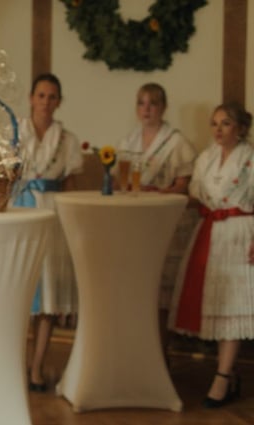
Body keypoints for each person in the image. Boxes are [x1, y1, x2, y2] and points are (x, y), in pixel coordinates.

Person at [169, 102, 254, 408]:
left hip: (240, 234)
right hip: (210, 232)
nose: (219, 129)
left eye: (226, 123)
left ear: (240, 128)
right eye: (215, 123)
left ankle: (222, 375)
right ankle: (227, 374)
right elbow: (196, 195)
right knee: (217, 303)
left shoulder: (250, 158)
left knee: (233, 303)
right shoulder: (206, 158)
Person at [12, 73, 83, 392]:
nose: (45, 101)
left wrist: (73, 224)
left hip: (52, 213)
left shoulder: (67, 140)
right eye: (41, 95)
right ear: (31, 98)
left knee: (49, 291)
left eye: (52, 96)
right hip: (18, 208)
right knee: (20, 288)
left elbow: (70, 185)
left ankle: (37, 366)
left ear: (59, 102)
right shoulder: (14, 132)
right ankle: (14, 364)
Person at [116, 83, 197, 357]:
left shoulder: (176, 141)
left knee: (162, 291)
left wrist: (163, 193)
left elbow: (183, 184)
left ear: (163, 107)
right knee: (138, 288)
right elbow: (120, 181)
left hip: (165, 220)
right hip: (136, 218)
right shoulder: (129, 142)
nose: (147, 109)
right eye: (142, 103)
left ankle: (161, 353)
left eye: (153, 103)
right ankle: (136, 351)